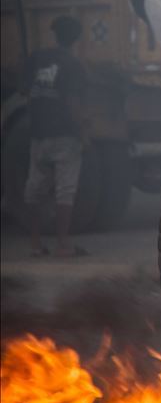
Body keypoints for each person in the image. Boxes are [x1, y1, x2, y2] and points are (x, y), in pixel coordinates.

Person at [23, 16, 89, 258]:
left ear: (55, 34)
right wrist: (83, 133)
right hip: (64, 136)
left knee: (34, 190)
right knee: (65, 191)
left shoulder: (37, 58)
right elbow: (72, 103)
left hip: (38, 134)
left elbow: (26, 93)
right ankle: (63, 245)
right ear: (77, 38)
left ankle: (35, 244)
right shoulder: (73, 65)